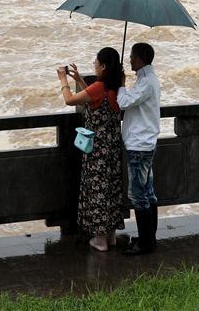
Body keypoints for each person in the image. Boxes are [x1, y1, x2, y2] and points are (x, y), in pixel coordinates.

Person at [57, 48, 125, 252]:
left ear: (103, 66)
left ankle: (99, 240)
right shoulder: (118, 87)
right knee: (111, 188)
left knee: (97, 191)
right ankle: (111, 235)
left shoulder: (99, 87)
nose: (94, 65)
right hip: (113, 148)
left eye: (96, 62)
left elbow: (70, 100)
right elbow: (95, 99)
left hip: (97, 151)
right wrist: (79, 79)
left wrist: (63, 80)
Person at [117, 42, 160, 255]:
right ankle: (149, 238)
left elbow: (124, 102)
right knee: (148, 192)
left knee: (138, 195)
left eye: (132, 56)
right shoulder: (147, 79)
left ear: (140, 58)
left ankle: (145, 243)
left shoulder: (145, 83)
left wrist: (121, 84)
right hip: (145, 143)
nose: (130, 60)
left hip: (139, 145)